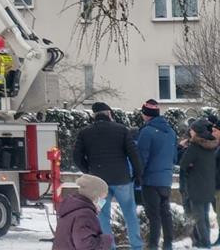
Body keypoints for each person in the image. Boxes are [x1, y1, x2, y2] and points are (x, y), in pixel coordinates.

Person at [73, 101, 144, 250]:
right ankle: (136, 246)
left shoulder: (85, 132)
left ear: (94, 116)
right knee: (129, 213)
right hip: (122, 181)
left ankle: (108, 246)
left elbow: (76, 157)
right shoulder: (122, 130)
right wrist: (138, 174)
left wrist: (89, 171)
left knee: (102, 216)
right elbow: (133, 154)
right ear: (109, 114)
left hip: (98, 185)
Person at [135, 99, 178, 250]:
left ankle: (153, 246)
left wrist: (137, 176)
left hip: (150, 180)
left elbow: (142, 158)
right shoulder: (171, 132)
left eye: (143, 113)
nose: (142, 116)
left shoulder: (146, 132)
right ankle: (168, 245)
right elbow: (174, 157)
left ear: (147, 115)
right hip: (166, 180)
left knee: (154, 216)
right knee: (165, 214)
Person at [180, 119, 218, 248]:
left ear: (196, 132)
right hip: (208, 186)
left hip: (195, 186)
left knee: (199, 218)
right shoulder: (212, 145)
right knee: (205, 217)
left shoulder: (194, 147)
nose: (190, 131)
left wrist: (184, 150)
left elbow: (183, 164)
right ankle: (206, 242)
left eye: (191, 129)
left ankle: (205, 244)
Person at [53, 174, 114, 250]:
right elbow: (86, 246)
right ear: (94, 195)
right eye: (102, 198)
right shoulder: (84, 214)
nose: (102, 202)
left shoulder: (73, 208)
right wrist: (105, 240)